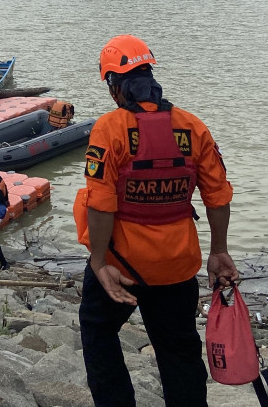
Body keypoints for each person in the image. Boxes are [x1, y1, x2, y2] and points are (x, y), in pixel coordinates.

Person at [75, 35, 237, 407]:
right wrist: (219, 252)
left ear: (115, 85)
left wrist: (98, 262)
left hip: (121, 263)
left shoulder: (109, 129)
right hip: (178, 266)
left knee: (99, 330)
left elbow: (101, 204)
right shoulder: (193, 127)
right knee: (179, 351)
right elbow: (218, 195)